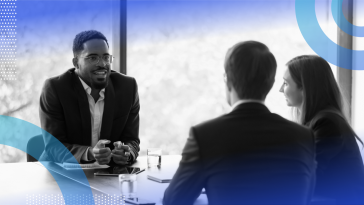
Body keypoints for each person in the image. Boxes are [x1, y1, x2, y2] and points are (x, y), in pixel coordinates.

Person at [163, 41, 316, 205]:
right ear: (271, 84)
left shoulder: (205, 136)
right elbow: (307, 196)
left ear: (227, 80)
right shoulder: (304, 136)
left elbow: (174, 201)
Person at [39, 30, 140, 165]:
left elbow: (132, 140)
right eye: (93, 58)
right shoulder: (55, 89)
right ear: (76, 63)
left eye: (106, 57)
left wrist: (127, 153)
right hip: (61, 173)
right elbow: (54, 147)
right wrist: (90, 153)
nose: (102, 64)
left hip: (106, 175)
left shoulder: (128, 87)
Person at [280, 55, 364, 204]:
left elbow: (310, 174)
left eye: (286, 83)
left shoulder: (327, 122)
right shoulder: (323, 119)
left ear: (304, 88)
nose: (281, 90)